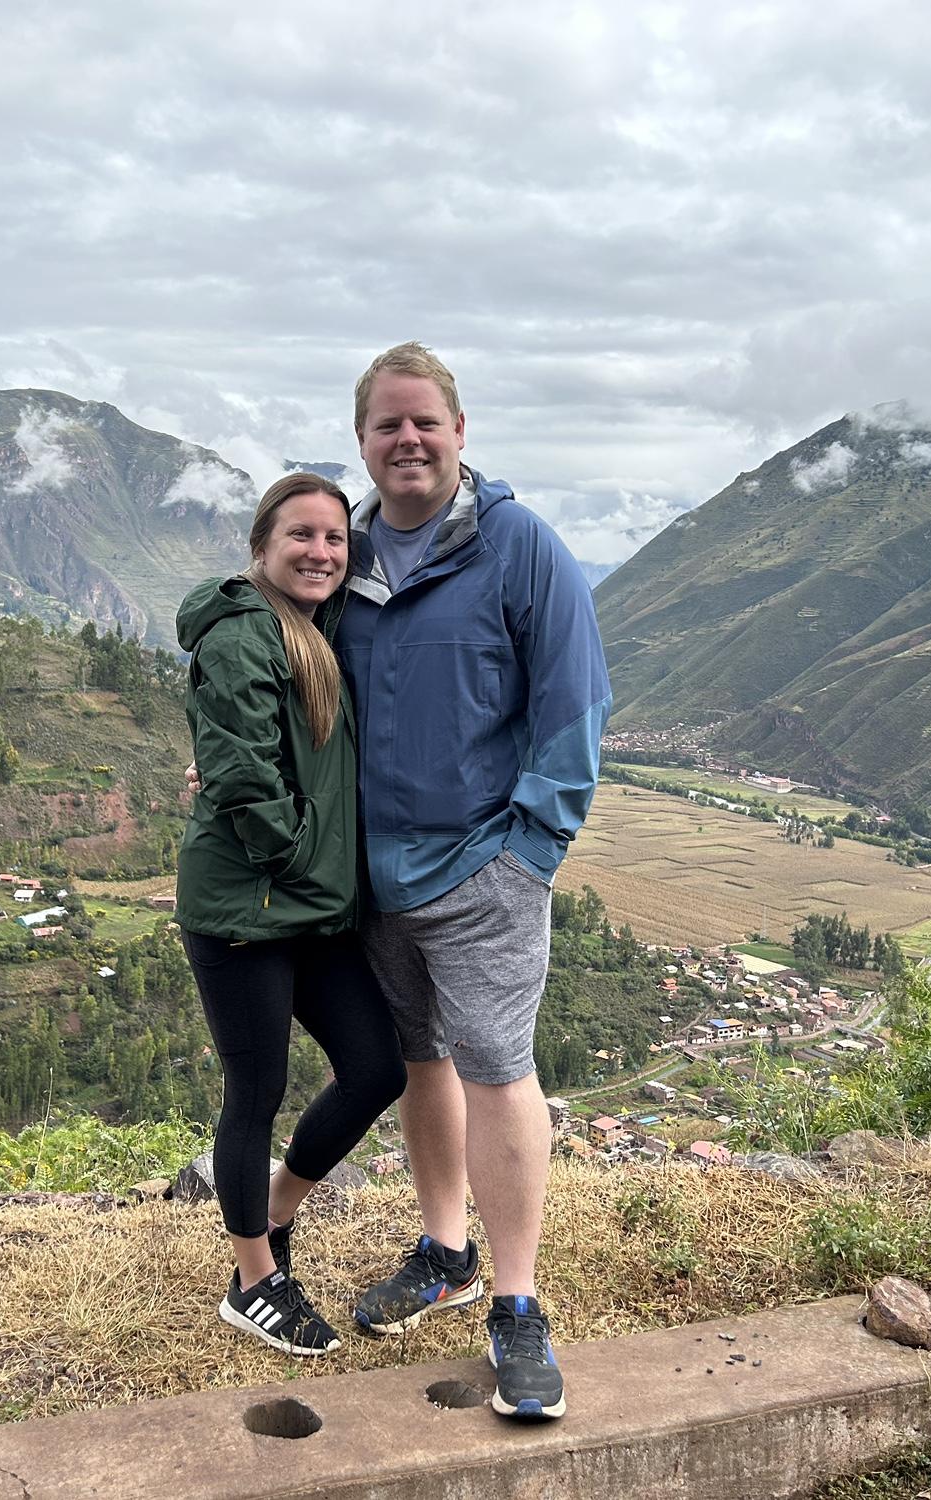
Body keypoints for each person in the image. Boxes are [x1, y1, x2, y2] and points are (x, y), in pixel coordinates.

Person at [336, 343, 612, 1420]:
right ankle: (445, 1251)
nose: (408, 440)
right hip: (376, 880)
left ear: (459, 433)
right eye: (387, 425)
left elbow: (575, 701)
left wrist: (528, 853)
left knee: (499, 1069)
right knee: (422, 1060)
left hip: (484, 870)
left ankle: (515, 1302)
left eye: (426, 423)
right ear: (362, 440)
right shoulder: (343, 554)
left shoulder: (519, 545)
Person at [175, 471, 407, 1359]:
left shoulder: (311, 629)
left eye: (335, 539)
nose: (321, 552)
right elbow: (238, 772)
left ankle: (273, 1214)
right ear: (261, 549)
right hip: (248, 906)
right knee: (257, 1092)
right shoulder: (244, 632)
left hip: (308, 907)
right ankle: (253, 1282)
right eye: (301, 536)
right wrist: (301, 857)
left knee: (375, 1067)